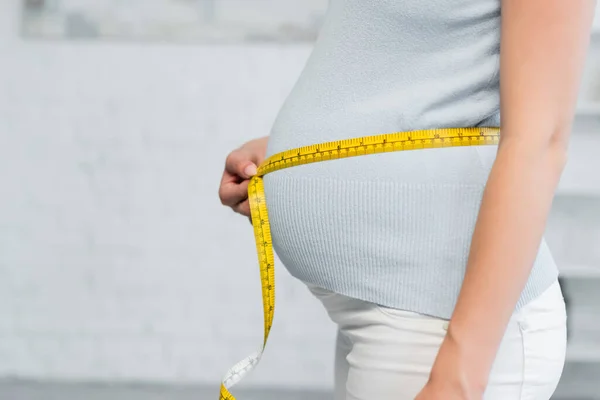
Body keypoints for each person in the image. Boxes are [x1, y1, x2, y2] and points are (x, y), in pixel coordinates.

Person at [218, 1, 597, 399]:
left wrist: (457, 380)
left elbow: (540, 144)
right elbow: (400, 64)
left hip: (443, 324)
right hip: (385, 309)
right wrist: (289, 154)